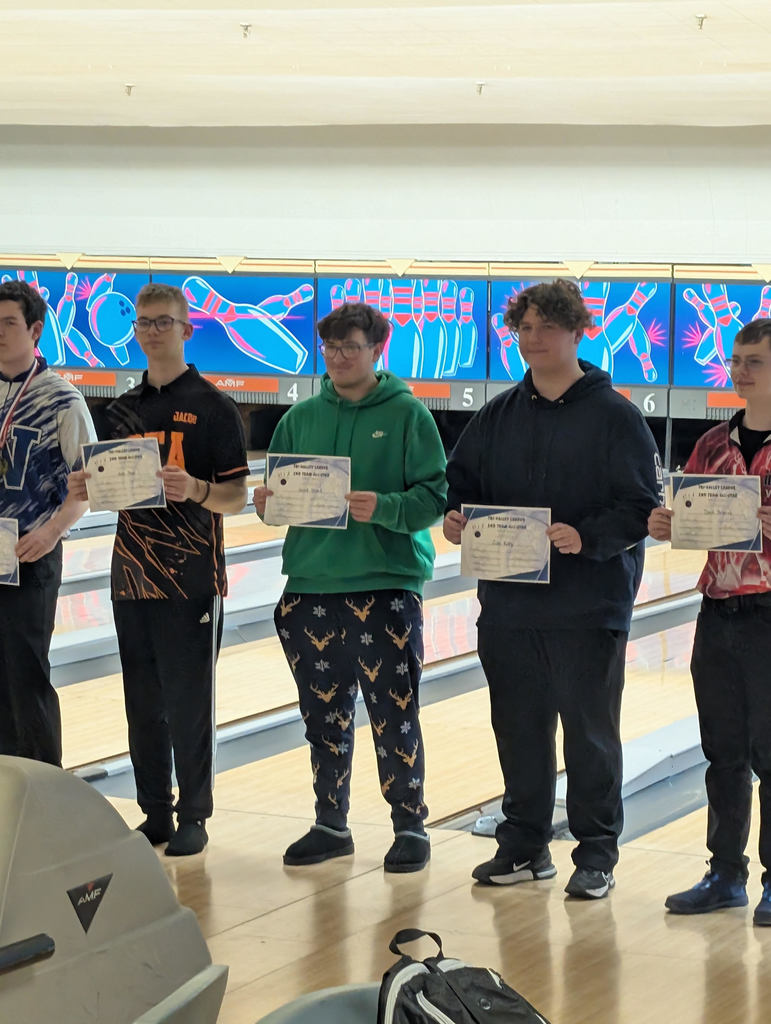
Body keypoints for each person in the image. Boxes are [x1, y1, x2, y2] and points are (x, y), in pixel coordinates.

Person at [444, 279, 661, 899]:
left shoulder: (616, 416)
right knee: (517, 728)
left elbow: (639, 506)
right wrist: (456, 517)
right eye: (524, 329)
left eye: (545, 328)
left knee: (590, 735)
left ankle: (595, 854)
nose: (532, 340)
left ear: (576, 332)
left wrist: (584, 537)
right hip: (509, 604)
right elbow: (460, 483)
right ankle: (524, 846)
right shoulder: (498, 414)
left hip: (588, 606)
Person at [253, 302, 447, 873]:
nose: (338, 358)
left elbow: (435, 497)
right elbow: (280, 497)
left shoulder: (410, 415)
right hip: (310, 584)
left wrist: (384, 506)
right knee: (322, 715)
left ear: (376, 350)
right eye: (331, 348)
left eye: (351, 348)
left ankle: (410, 826)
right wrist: (269, 505)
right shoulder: (300, 417)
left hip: (384, 585)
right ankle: (329, 823)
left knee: (395, 711)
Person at [69, 283, 249, 856]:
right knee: (142, 699)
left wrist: (197, 488)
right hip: (131, 575)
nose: (151, 330)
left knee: (189, 700)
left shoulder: (215, 406)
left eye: (163, 322)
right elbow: (108, 491)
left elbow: (237, 497)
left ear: (185, 329)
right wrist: (86, 486)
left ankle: (195, 814)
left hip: (192, 577)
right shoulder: (121, 408)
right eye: (144, 322)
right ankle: (156, 812)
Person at [649, 317, 771, 926]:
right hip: (718, 611)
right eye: (737, 360)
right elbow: (688, 513)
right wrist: (667, 524)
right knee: (722, 751)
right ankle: (725, 873)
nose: (740, 371)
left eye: (754, 361)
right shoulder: (712, 444)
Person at [0, 279, 95, 766]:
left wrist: (50, 532)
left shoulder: (63, 399)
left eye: (9, 323)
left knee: (25, 674)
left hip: (31, 555)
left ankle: (43, 789)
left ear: (35, 329)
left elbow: (88, 486)